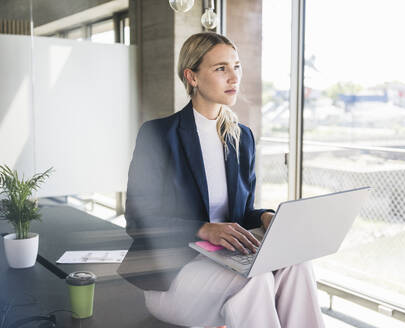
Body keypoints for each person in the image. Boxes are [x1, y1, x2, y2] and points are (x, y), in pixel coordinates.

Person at [124, 32, 325, 328]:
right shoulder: (158, 135)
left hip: (225, 261)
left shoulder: (241, 137)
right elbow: (137, 221)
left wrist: (267, 217)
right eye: (221, 69)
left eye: (237, 66)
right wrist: (204, 230)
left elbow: (240, 215)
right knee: (254, 281)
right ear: (191, 76)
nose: (234, 77)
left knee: (298, 264)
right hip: (172, 277)